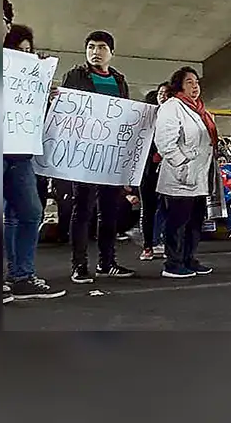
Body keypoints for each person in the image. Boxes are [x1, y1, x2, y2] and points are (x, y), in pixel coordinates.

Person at [61, 30, 136, 283]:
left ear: (111, 53)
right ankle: (79, 265)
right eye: (91, 47)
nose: (96, 52)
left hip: (110, 154)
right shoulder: (76, 76)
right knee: (82, 209)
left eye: (102, 47)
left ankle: (107, 262)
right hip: (84, 153)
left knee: (109, 210)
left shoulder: (119, 80)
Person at [2, 24, 66, 300]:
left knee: (31, 212)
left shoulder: (27, 75)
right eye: (19, 50)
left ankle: (22, 276)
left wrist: (44, 97)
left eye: (28, 51)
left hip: (20, 153)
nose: (24, 55)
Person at [153, 67, 216, 278]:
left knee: (195, 221)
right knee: (177, 221)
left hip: (199, 176)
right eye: (189, 82)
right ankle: (173, 263)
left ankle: (189, 258)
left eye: (196, 82)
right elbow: (164, 142)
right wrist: (182, 165)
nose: (195, 86)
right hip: (179, 176)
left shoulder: (200, 110)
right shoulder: (172, 106)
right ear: (179, 84)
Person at [138, 82, 170, 261]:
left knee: (167, 208)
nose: (162, 96)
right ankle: (148, 245)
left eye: (166, 93)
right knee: (148, 208)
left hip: (169, 169)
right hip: (148, 169)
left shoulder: (176, 116)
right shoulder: (148, 117)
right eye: (160, 93)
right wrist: (153, 154)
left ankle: (166, 242)